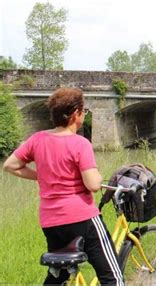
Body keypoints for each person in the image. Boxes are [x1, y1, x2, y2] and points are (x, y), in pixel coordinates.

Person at [3, 87, 124, 285]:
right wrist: (99, 175)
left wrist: (41, 176)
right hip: (82, 219)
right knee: (113, 277)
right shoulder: (80, 143)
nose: (84, 115)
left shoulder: (37, 139)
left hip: (51, 221)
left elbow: (10, 165)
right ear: (76, 113)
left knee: (60, 274)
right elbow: (93, 184)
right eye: (83, 111)